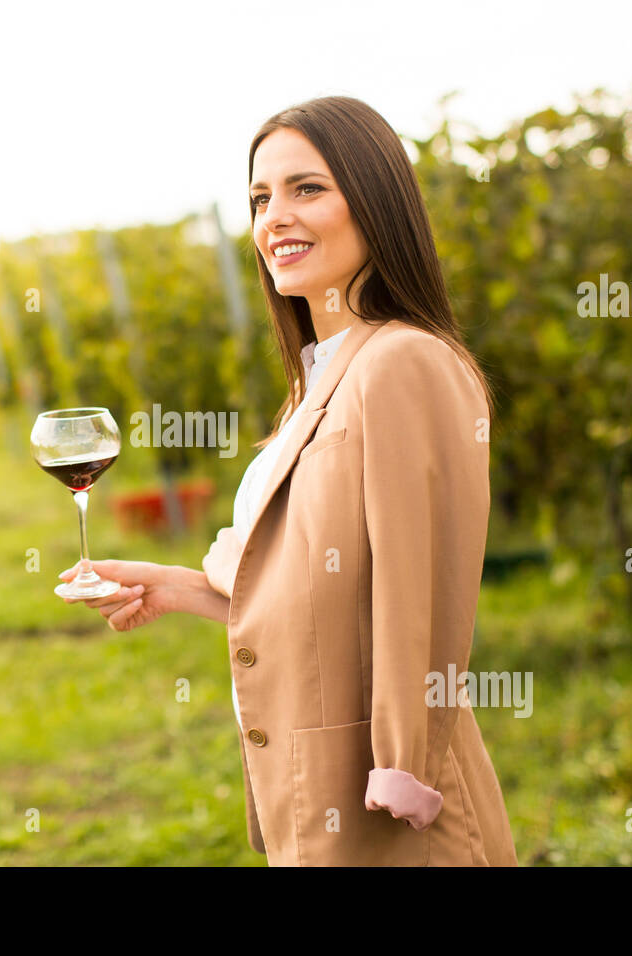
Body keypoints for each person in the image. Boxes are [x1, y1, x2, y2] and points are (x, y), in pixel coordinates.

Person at [58, 95, 517, 866]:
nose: (275, 217)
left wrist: (404, 762)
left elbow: (422, 586)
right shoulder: (319, 376)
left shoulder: (402, 361)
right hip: (320, 797)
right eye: (260, 198)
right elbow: (318, 582)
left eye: (308, 188)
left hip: (391, 808)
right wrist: (175, 587)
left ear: (374, 199)